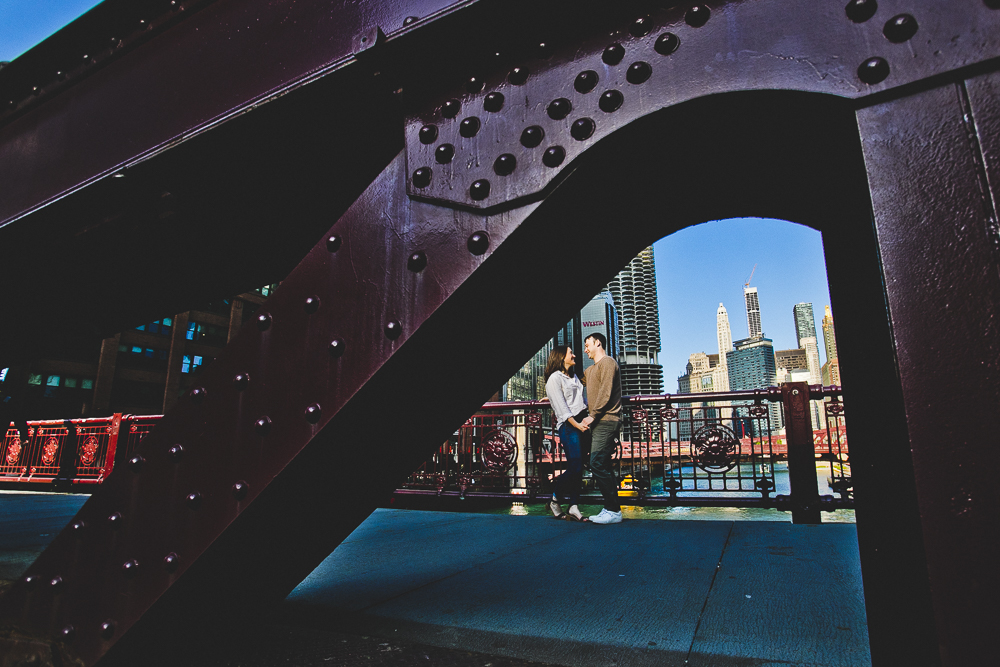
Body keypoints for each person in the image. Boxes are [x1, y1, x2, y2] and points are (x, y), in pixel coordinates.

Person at [543, 346, 588, 522]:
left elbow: (578, 401)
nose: (574, 355)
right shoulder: (554, 378)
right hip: (570, 426)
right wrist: (577, 424)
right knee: (575, 466)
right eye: (571, 353)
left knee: (579, 468)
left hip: (582, 422)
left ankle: (573, 505)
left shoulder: (574, 377)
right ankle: (555, 499)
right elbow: (562, 409)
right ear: (561, 357)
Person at [581, 332, 623, 524]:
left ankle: (613, 510)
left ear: (598, 343)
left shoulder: (608, 363)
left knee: (596, 463)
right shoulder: (590, 371)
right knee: (602, 465)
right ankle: (611, 509)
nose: (585, 349)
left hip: (607, 420)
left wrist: (592, 416)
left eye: (587, 344)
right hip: (598, 422)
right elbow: (573, 385)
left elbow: (605, 394)